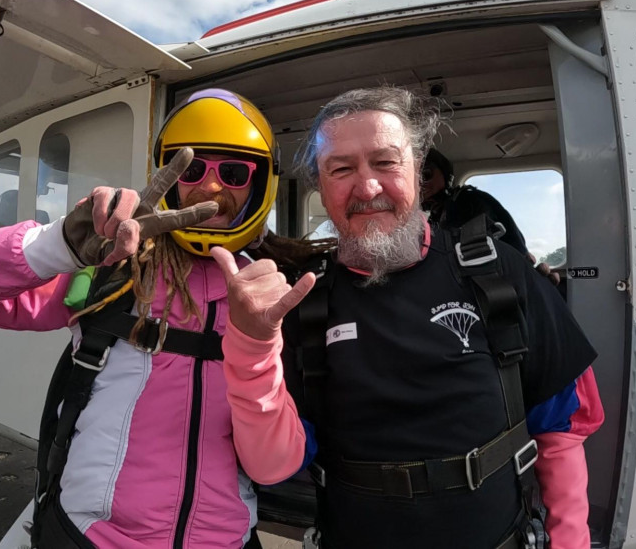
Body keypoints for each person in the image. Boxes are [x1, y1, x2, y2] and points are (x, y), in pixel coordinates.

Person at [0, 88, 325, 548]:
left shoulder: (273, 296)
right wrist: (60, 243)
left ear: (260, 182)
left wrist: (255, 346)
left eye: (233, 171)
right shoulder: (115, 270)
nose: (209, 187)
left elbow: (274, 466)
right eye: (192, 169)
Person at [211, 86, 604, 548]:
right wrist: (253, 347)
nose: (368, 187)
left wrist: (570, 542)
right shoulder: (305, 299)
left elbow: (563, 430)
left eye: (385, 162)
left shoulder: (497, 272)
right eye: (341, 169)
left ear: (418, 169)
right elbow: (272, 466)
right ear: (321, 187)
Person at [423, 148, 559, 284]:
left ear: (445, 174)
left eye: (426, 175)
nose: (420, 184)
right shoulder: (437, 214)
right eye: (414, 178)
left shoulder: (468, 202)